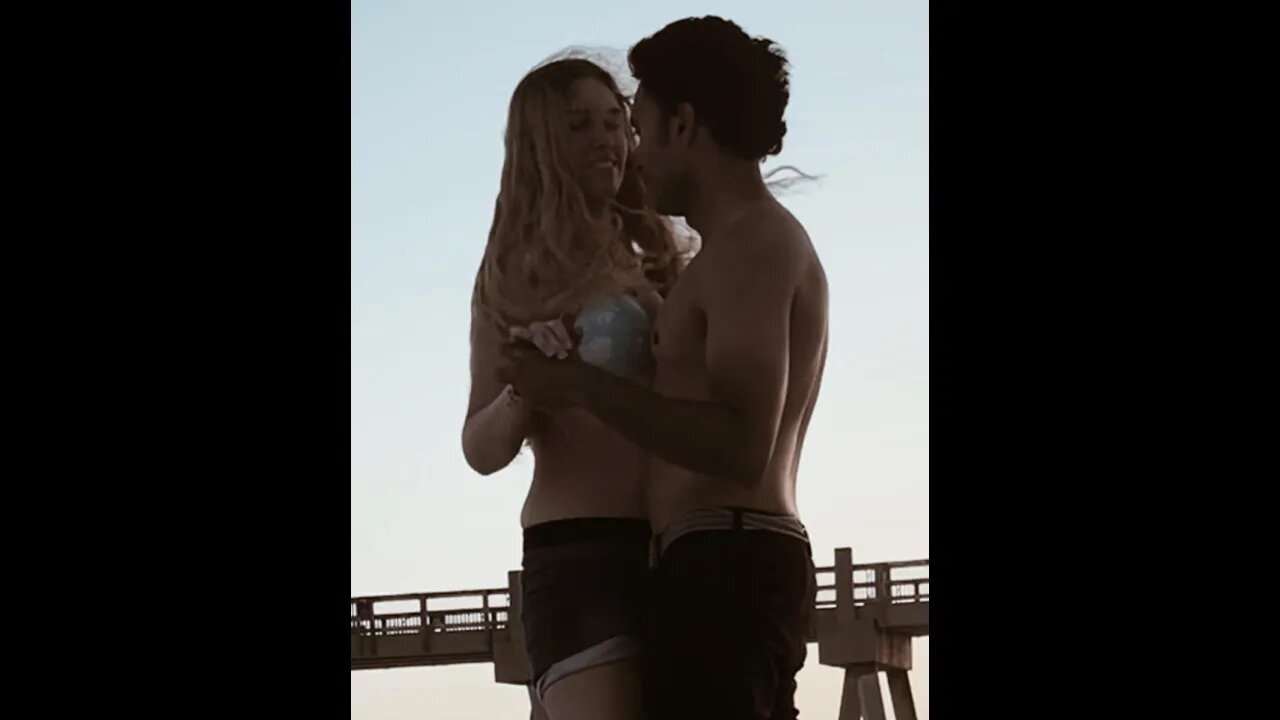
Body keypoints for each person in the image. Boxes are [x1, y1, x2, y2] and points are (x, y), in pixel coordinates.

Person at [499, 17, 828, 720]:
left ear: (683, 125)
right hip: (717, 560)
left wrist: (579, 384)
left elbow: (741, 441)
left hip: (727, 560)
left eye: (639, 128)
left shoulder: (752, 246)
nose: (634, 154)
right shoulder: (728, 252)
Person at [461, 56, 683, 720]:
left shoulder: (654, 252)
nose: (606, 141)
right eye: (580, 126)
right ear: (541, 145)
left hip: (677, 545)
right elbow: (480, 446)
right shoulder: (518, 270)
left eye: (615, 122)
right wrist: (525, 386)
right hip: (581, 550)